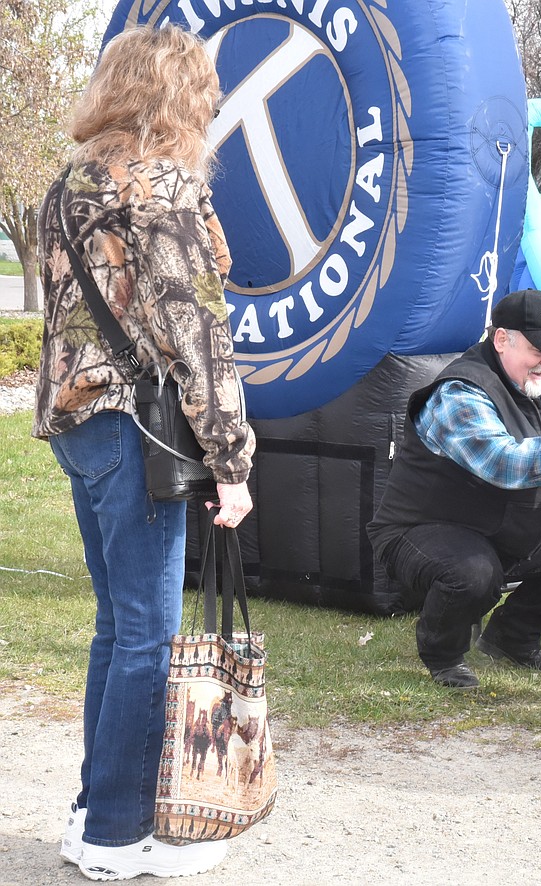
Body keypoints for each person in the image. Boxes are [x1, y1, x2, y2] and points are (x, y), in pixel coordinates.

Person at [33, 25, 255, 881]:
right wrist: (231, 461)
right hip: (138, 424)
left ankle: (97, 810)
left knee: (118, 628)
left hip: (81, 420)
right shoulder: (162, 187)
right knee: (147, 640)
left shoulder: (73, 182)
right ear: (180, 94)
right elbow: (196, 333)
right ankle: (118, 833)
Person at [367, 288, 541, 689]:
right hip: (426, 529)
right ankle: (444, 655)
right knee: (474, 573)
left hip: (515, 530)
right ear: (502, 339)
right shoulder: (459, 392)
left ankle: (513, 635)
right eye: (539, 349)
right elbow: (502, 463)